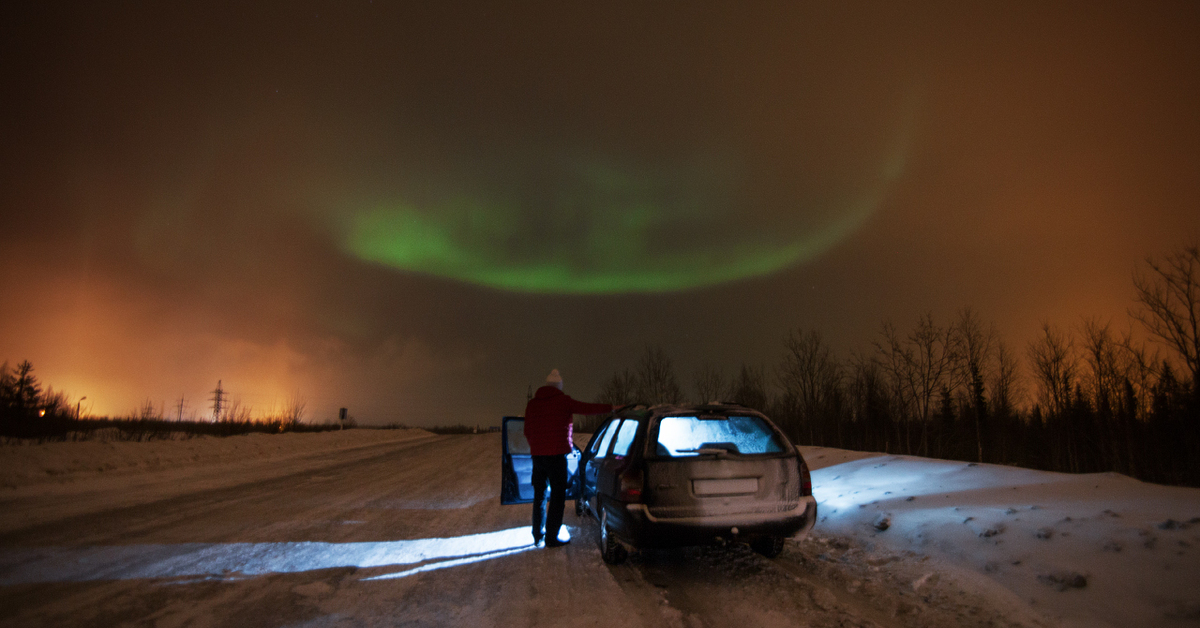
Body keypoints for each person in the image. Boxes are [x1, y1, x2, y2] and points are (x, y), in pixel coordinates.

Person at [524, 368, 614, 547]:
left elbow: (527, 431)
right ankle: (551, 537)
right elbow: (588, 409)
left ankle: (537, 534)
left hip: (538, 457)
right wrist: (612, 408)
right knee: (557, 498)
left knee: (539, 496)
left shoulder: (532, 404)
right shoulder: (563, 401)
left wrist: (536, 446)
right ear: (559, 386)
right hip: (557, 457)